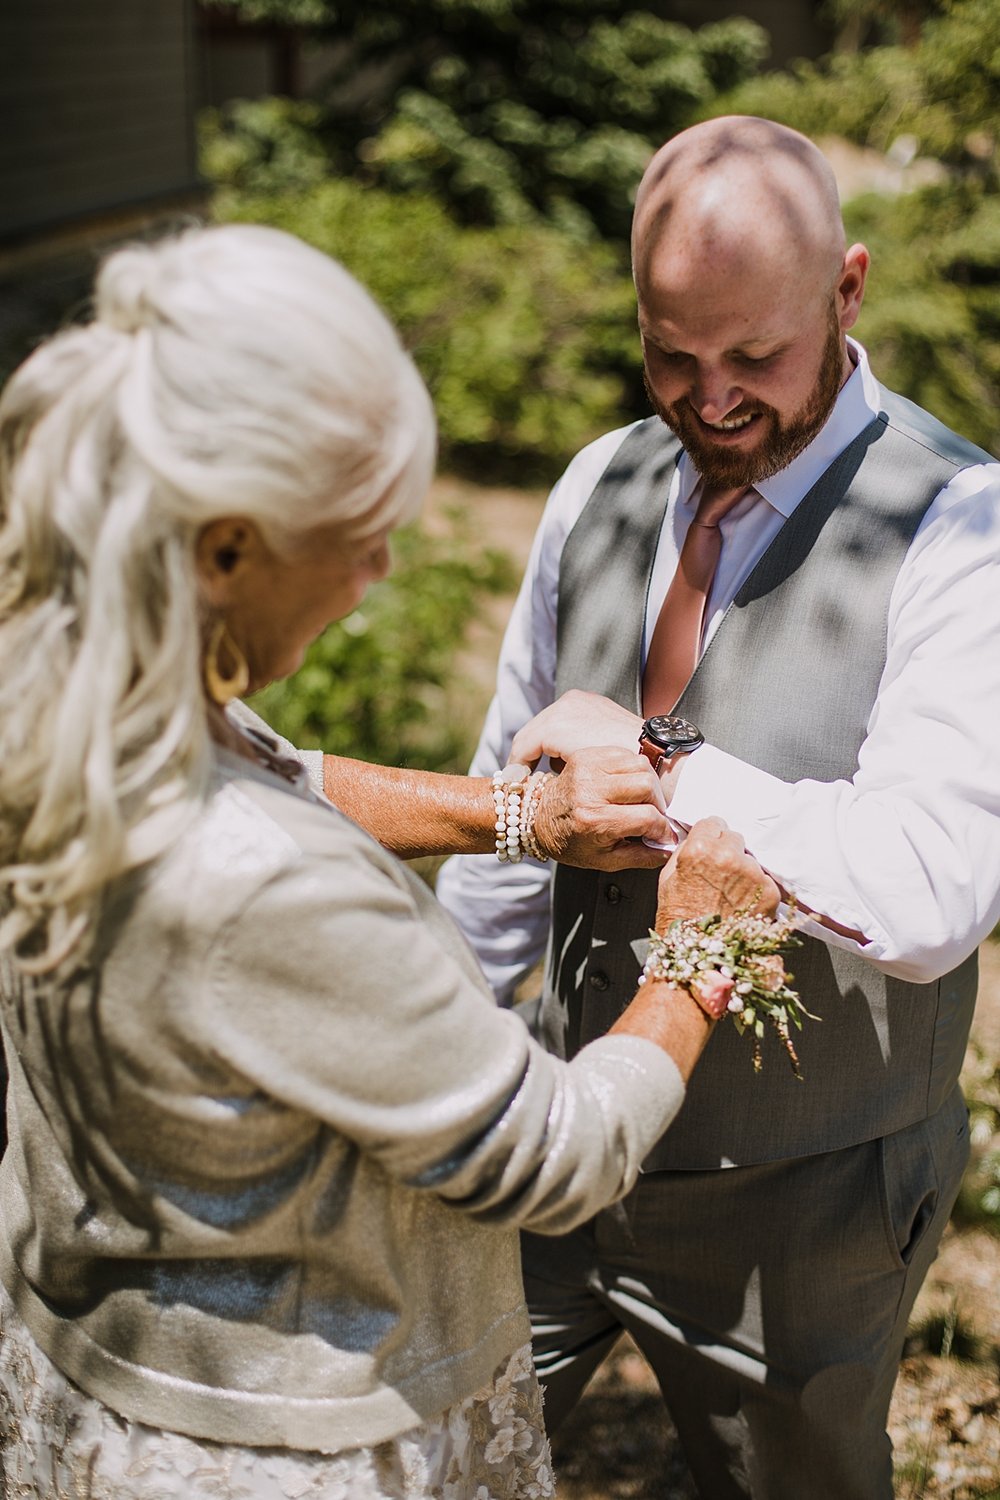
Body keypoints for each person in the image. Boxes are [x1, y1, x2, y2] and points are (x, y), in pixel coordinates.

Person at [0, 222, 782, 1497]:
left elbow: (279, 771)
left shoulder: (64, 689)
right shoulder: (264, 891)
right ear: (226, 548)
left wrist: (519, 819)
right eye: (357, 531)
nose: (379, 566)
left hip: (94, 1370)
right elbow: (557, 1150)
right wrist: (698, 944)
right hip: (290, 1438)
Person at [436, 115, 1000, 1498]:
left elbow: (930, 890)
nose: (714, 397)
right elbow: (517, 800)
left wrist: (666, 763)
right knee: (430, 1453)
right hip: (562, 1138)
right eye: (673, 354)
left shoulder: (962, 524)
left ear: (848, 290)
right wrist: (443, 1031)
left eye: (757, 356)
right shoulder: (595, 489)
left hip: (804, 1210)